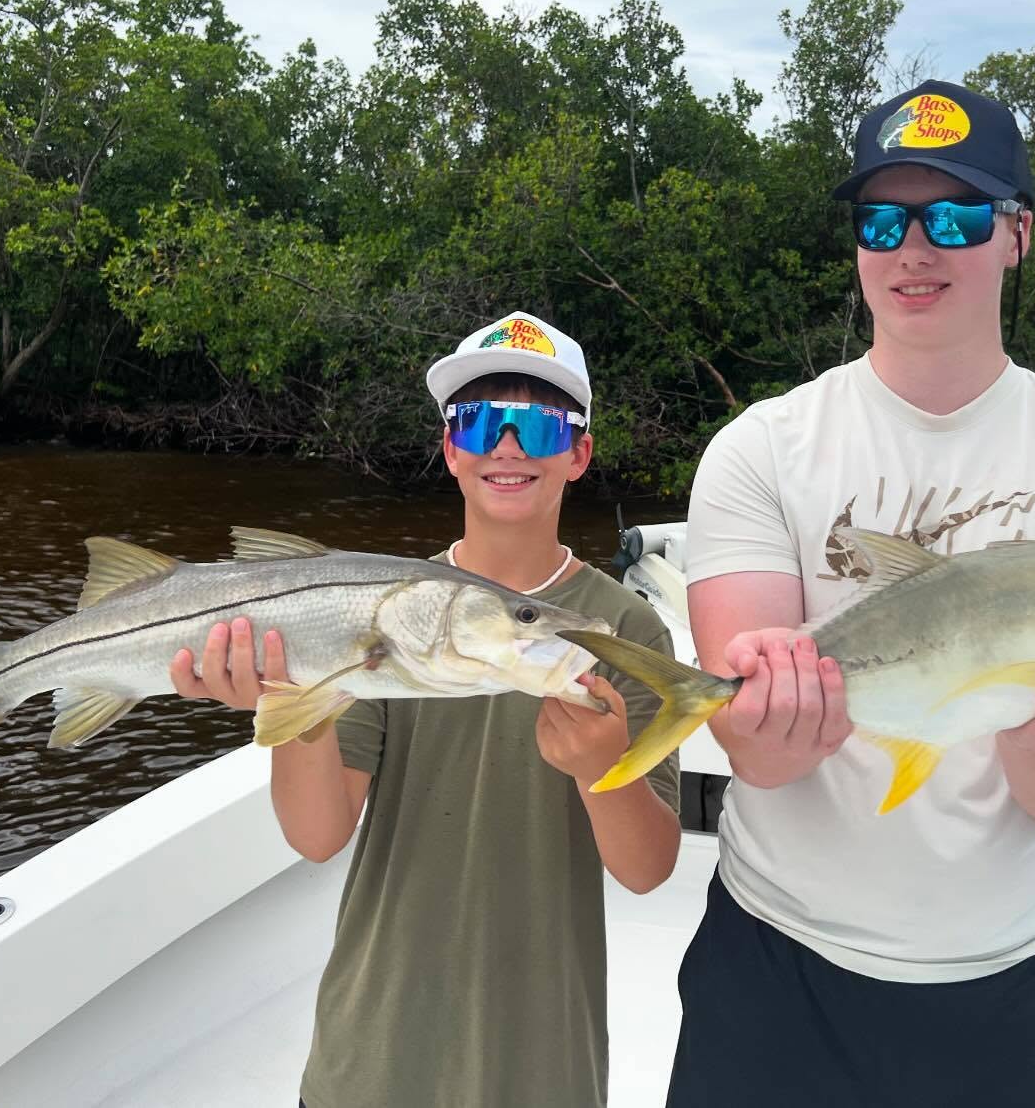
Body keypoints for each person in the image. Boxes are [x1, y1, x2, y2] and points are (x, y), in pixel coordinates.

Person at [667, 80, 1035, 1107]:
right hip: (774, 969)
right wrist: (770, 715)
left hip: (1012, 984)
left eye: (954, 216)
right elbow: (758, 760)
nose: (915, 248)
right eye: (882, 219)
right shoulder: (761, 449)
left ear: (1018, 235)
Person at [168, 311, 682, 1108]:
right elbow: (318, 833)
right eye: (478, 420)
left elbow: (648, 870)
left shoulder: (627, 627)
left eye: (540, 426)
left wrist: (600, 770)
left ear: (578, 453)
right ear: (450, 448)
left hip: (543, 1065)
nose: (506, 446)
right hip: (371, 1061)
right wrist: (288, 697)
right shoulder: (385, 606)